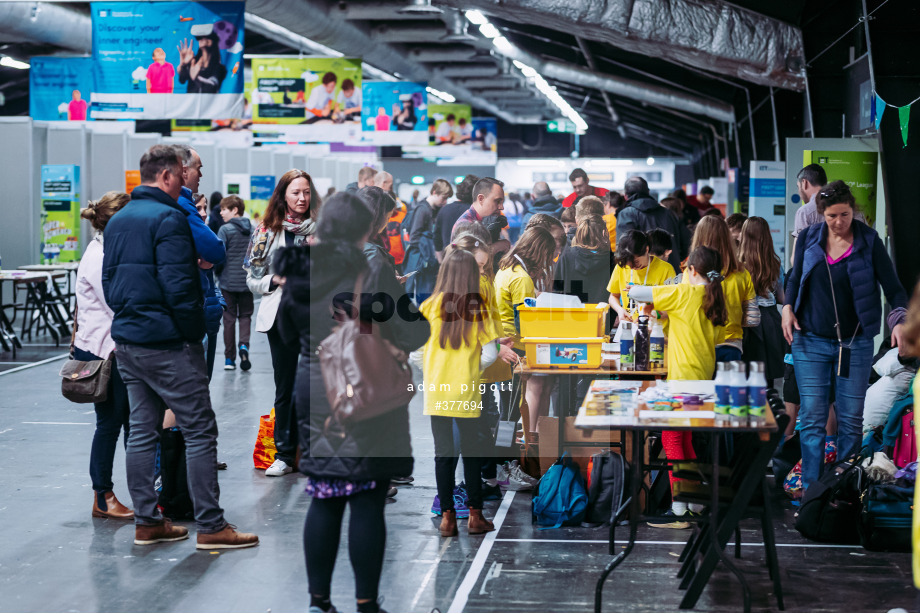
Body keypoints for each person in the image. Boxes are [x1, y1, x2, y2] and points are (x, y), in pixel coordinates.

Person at [275, 192, 429, 614]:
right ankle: (365, 603)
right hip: (365, 391)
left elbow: (288, 334)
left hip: (316, 390)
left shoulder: (300, 269)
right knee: (366, 499)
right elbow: (412, 332)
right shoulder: (373, 269)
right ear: (364, 229)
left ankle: (318, 602)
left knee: (324, 494)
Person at [102, 144, 257, 548]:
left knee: (141, 430)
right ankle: (211, 526)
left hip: (128, 341)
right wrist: (191, 334)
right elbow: (180, 286)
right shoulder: (170, 218)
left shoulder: (118, 220)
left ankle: (147, 522)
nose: (189, 181)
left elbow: (109, 283)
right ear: (169, 175)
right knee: (200, 429)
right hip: (169, 343)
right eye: (184, 175)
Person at [783, 180, 908, 490]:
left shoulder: (869, 241)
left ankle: (843, 493)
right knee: (812, 419)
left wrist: (901, 320)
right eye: (832, 216)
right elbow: (794, 278)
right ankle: (813, 492)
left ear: (854, 211)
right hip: (809, 339)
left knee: (851, 420)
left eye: (845, 215)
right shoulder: (810, 237)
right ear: (821, 214)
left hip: (855, 342)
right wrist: (787, 307)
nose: (839, 223)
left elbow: (894, 289)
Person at [630, 247, 727, 528]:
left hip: (682, 380)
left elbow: (638, 293)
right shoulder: (712, 297)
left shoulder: (685, 293)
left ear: (691, 271)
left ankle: (679, 509)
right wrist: (659, 314)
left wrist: (633, 286)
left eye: (684, 270)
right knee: (684, 441)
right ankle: (693, 503)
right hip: (701, 380)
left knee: (672, 441)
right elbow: (687, 326)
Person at [421, 247, 508, 538]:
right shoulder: (480, 308)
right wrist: (472, 371)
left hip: (436, 391)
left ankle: (447, 519)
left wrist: (433, 371)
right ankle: (475, 515)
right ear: (472, 275)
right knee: (471, 454)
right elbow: (490, 354)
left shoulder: (428, 306)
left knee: (443, 456)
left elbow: (414, 353)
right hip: (467, 391)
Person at [245, 169, 320, 477]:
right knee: (285, 386)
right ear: (283, 196)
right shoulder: (267, 230)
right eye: (295, 193)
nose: (302, 198)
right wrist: (273, 281)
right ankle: (285, 454)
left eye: (306, 192)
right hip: (282, 316)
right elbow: (252, 277)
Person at [76, 191, 133, 520]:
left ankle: (131, 491)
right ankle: (102, 495)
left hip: (113, 348)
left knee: (126, 423)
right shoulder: (99, 257)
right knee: (110, 424)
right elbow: (117, 302)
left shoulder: (107, 250)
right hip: (104, 353)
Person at [494, 226, 557, 441]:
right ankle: (504, 460)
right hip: (516, 349)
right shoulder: (521, 278)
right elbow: (525, 322)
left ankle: (502, 460)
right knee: (511, 412)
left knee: (508, 409)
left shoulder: (505, 269)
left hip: (504, 345)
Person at [175, 146, 226, 381]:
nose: (201, 175)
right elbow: (215, 249)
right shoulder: (182, 205)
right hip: (190, 313)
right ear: (184, 171)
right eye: (199, 169)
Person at [689, 215, 757, 363]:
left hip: (699, 346)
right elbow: (753, 319)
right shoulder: (742, 273)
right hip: (731, 345)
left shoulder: (691, 273)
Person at [738, 216, 785, 382]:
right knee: (765, 377)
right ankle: (767, 407)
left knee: (744, 373)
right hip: (770, 320)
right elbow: (782, 297)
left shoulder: (737, 264)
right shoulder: (775, 264)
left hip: (744, 320)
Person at [607, 230, 676, 325]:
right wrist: (620, 310)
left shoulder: (665, 269)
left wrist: (653, 314)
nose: (632, 267)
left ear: (647, 250)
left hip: (657, 331)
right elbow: (613, 296)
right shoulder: (621, 267)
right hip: (629, 329)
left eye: (636, 262)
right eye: (628, 264)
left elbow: (673, 305)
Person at [217, 195, 254, 371]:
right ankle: (244, 346)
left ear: (235, 210)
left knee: (229, 319)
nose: (221, 212)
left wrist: (217, 273)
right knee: (245, 316)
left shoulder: (225, 230)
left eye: (225, 209)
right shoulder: (253, 229)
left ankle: (229, 359)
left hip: (228, 282)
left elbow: (219, 255)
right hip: (247, 282)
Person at [616, 176, 684, 272]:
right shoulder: (668, 213)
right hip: (671, 271)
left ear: (626, 196)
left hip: (644, 276)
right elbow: (684, 243)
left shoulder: (626, 214)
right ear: (648, 192)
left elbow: (625, 249)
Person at [404, 179, 454, 304]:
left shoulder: (435, 210)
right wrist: (427, 250)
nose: (445, 202)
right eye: (443, 198)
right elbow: (414, 237)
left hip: (431, 261)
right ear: (434, 192)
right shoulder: (423, 210)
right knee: (425, 297)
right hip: (424, 262)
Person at [553, 214, 612, 304]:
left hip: (572, 314)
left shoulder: (566, 256)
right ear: (603, 233)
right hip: (603, 315)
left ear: (579, 233)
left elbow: (556, 290)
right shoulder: (611, 259)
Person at [434, 174, 478, 255]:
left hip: (448, 258)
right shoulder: (475, 212)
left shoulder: (444, 209)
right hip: (470, 259)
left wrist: (441, 262)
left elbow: (437, 238)